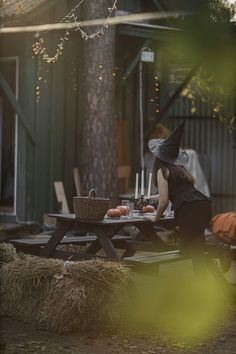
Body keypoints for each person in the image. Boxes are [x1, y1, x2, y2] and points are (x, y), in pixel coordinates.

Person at [146, 121, 231, 273]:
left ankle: (220, 251)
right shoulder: (179, 170)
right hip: (203, 205)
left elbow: (165, 201)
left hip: (189, 211)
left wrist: (156, 217)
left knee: (188, 249)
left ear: (159, 156)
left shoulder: (162, 171)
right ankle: (203, 277)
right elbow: (170, 194)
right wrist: (150, 197)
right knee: (195, 246)